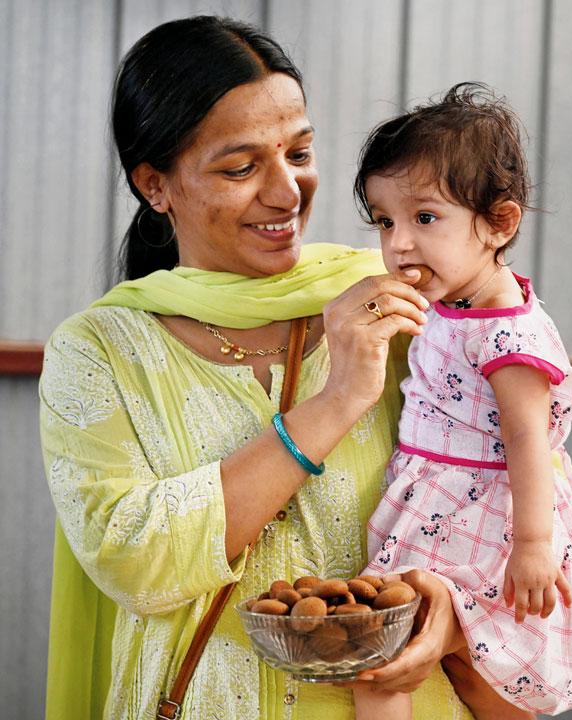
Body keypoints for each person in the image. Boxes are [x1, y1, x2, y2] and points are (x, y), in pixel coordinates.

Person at [41, 16, 473, 719]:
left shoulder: (399, 300)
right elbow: (132, 558)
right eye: (241, 168)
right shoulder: (99, 351)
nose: (287, 192)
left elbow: (526, 497)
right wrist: (336, 403)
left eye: (299, 153)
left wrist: (452, 617)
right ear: (155, 184)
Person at [348, 84, 572, 720]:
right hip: (436, 499)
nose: (398, 243)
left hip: (481, 516)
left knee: (406, 657)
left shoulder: (507, 335)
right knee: (431, 657)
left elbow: (530, 442)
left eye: (424, 218)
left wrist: (534, 544)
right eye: (384, 220)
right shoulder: (453, 302)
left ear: (499, 224)